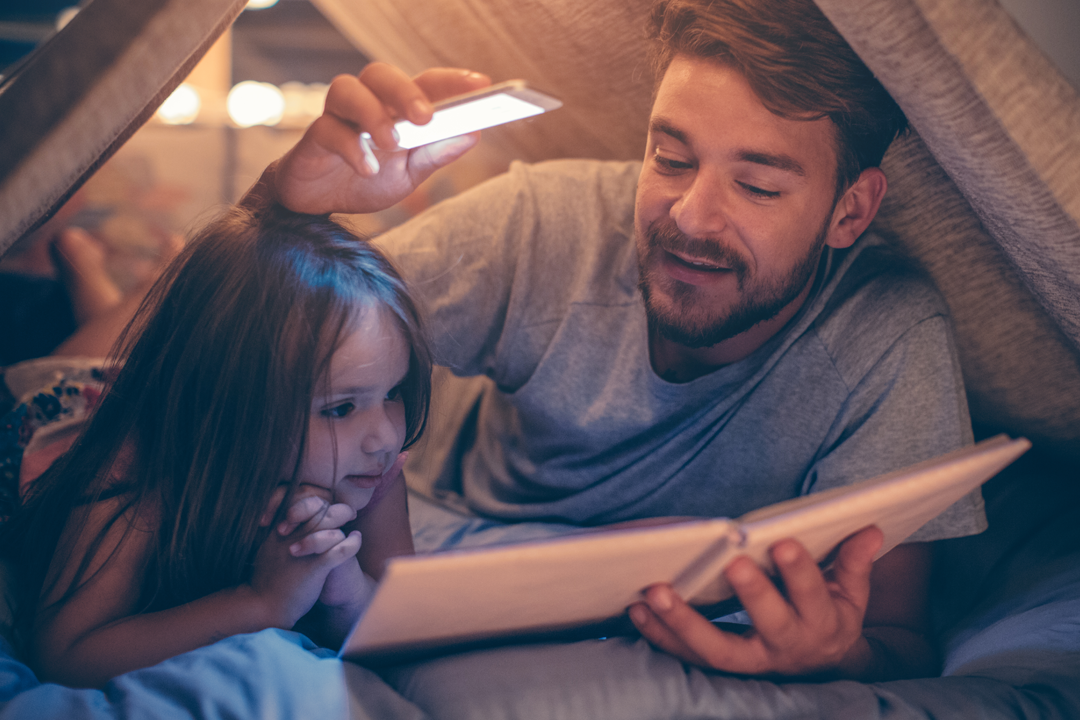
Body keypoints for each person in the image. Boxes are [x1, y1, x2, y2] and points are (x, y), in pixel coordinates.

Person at [255, 0, 984, 682]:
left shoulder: (888, 336)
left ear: (849, 212)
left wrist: (824, 657)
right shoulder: (540, 224)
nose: (693, 218)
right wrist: (284, 205)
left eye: (758, 187)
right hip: (459, 534)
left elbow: (899, 639)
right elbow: (248, 346)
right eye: (670, 158)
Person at [0, 203, 431, 688]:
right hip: (68, 413)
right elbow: (67, 656)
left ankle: (150, 280)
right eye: (341, 408)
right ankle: (102, 266)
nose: (386, 436)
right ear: (227, 404)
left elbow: (401, 618)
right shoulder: (131, 475)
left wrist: (346, 592)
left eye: (392, 393)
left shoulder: (370, 468)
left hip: (155, 385)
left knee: (122, 351)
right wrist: (260, 602)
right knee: (89, 362)